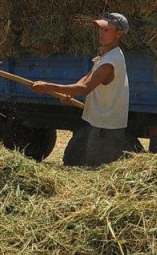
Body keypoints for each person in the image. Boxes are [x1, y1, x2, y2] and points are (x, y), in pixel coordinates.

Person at [31, 12, 139, 167]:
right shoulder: (105, 54)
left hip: (107, 128)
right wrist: (67, 94)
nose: (101, 33)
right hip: (102, 124)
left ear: (119, 34)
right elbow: (87, 77)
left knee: (97, 169)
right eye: (100, 29)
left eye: (106, 30)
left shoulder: (111, 61)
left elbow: (85, 88)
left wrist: (47, 87)